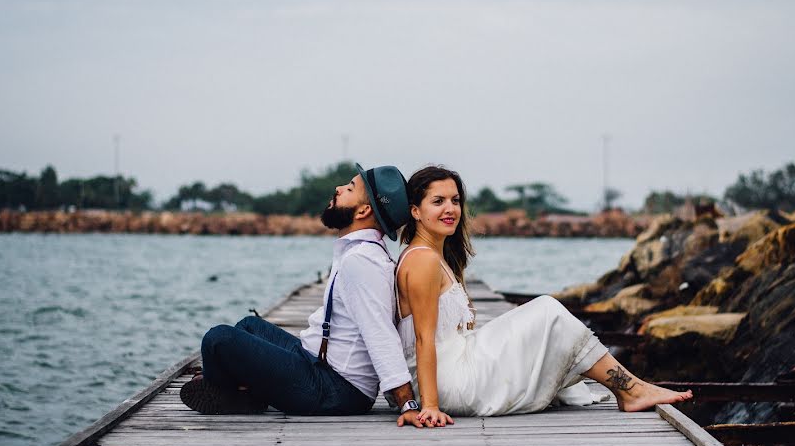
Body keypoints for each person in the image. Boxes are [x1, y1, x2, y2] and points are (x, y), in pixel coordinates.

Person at [395, 165, 693, 427]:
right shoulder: (423, 261)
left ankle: (631, 388)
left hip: (451, 367)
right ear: (415, 211)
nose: (450, 209)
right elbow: (423, 339)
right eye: (438, 201)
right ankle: (632, 390)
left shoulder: (433, 255)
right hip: (448, 381)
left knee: (544, 319)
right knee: (548, 312)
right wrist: (430, 405)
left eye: (455, 200)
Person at [180, 163, 429, 427]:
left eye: (350, 188)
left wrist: (407, 402)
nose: (338, 189)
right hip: (316, 361)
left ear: (364, 210)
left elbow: (380, 332)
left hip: (336, 390)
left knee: (218, 339)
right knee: (248, 326)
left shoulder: (363, 261)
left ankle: (231, 395)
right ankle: (244, 390)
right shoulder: (361, 251)